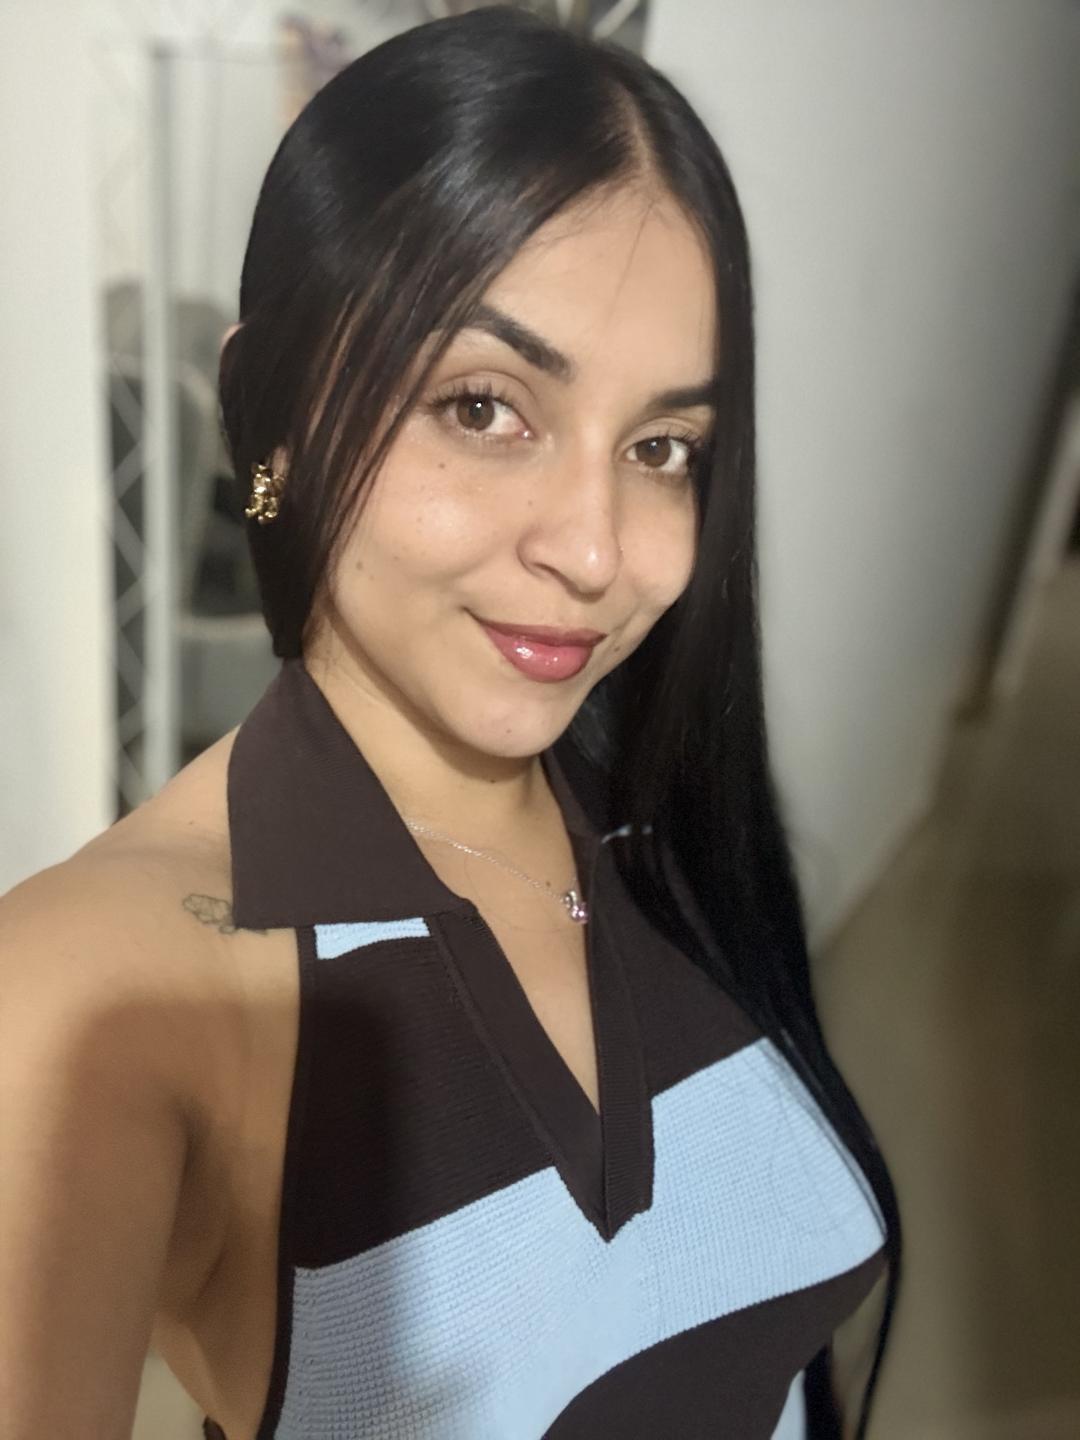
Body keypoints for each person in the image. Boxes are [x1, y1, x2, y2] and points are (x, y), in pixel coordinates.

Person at [0, 7, 901, 1438]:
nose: (597, 551)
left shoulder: (666, 819)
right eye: (484, 408)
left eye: (663, 447)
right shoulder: (102, 994)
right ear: (267, 413)